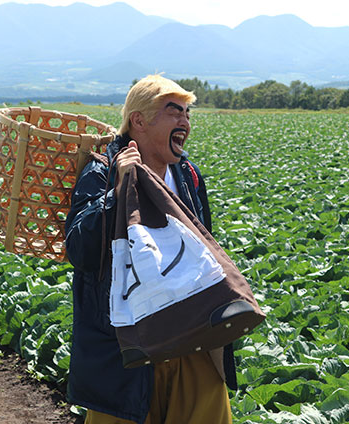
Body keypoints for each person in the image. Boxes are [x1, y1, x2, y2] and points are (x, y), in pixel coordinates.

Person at [65, 74, 236, 424]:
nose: (185, 121)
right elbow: (79, 249)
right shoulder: (102, 172)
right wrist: (118, 193)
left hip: (190, 335)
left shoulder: (188, 175)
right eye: (174, 112)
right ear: (138, 121)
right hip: (124, 348)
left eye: (187, 113)